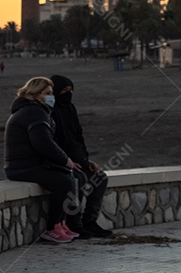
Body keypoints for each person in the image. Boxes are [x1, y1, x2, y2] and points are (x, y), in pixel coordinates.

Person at [4, 77, 82, 244]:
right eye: (47, 93)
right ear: (34, 94)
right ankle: (52, 228)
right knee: (63, 182)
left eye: (51, 94)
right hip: (22, 167)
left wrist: (65, 163)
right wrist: (66, 160)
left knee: (70, 177)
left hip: (29, 165)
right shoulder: (34, 113)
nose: (51, 97)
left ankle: (61, 223)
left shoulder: (35, 111)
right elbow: (43, 143)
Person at [50, 74, 112, 238]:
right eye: (64, 90)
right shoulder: (51, 112)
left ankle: (90, 221)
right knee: (78, 180)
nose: (68, 94)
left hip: (78, 159)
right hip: (63, 162)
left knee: (100, 178)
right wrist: (67, 161)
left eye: (71, 90)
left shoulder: (70, 108)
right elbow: (52, 142)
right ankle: (73, 223)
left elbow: (78, 137)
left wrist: (86, 160)